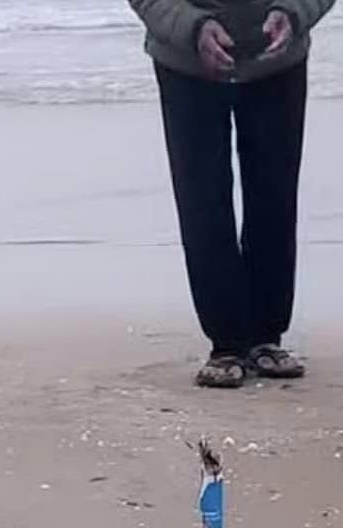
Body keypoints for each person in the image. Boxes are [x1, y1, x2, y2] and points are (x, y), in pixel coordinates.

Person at [127, 0, 336, 388]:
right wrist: (193, 28)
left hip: (278, 62)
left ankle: (265, 337)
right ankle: (225, 343)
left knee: (274, 198)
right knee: (202, 201)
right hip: (185, 62)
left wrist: (292, 13)